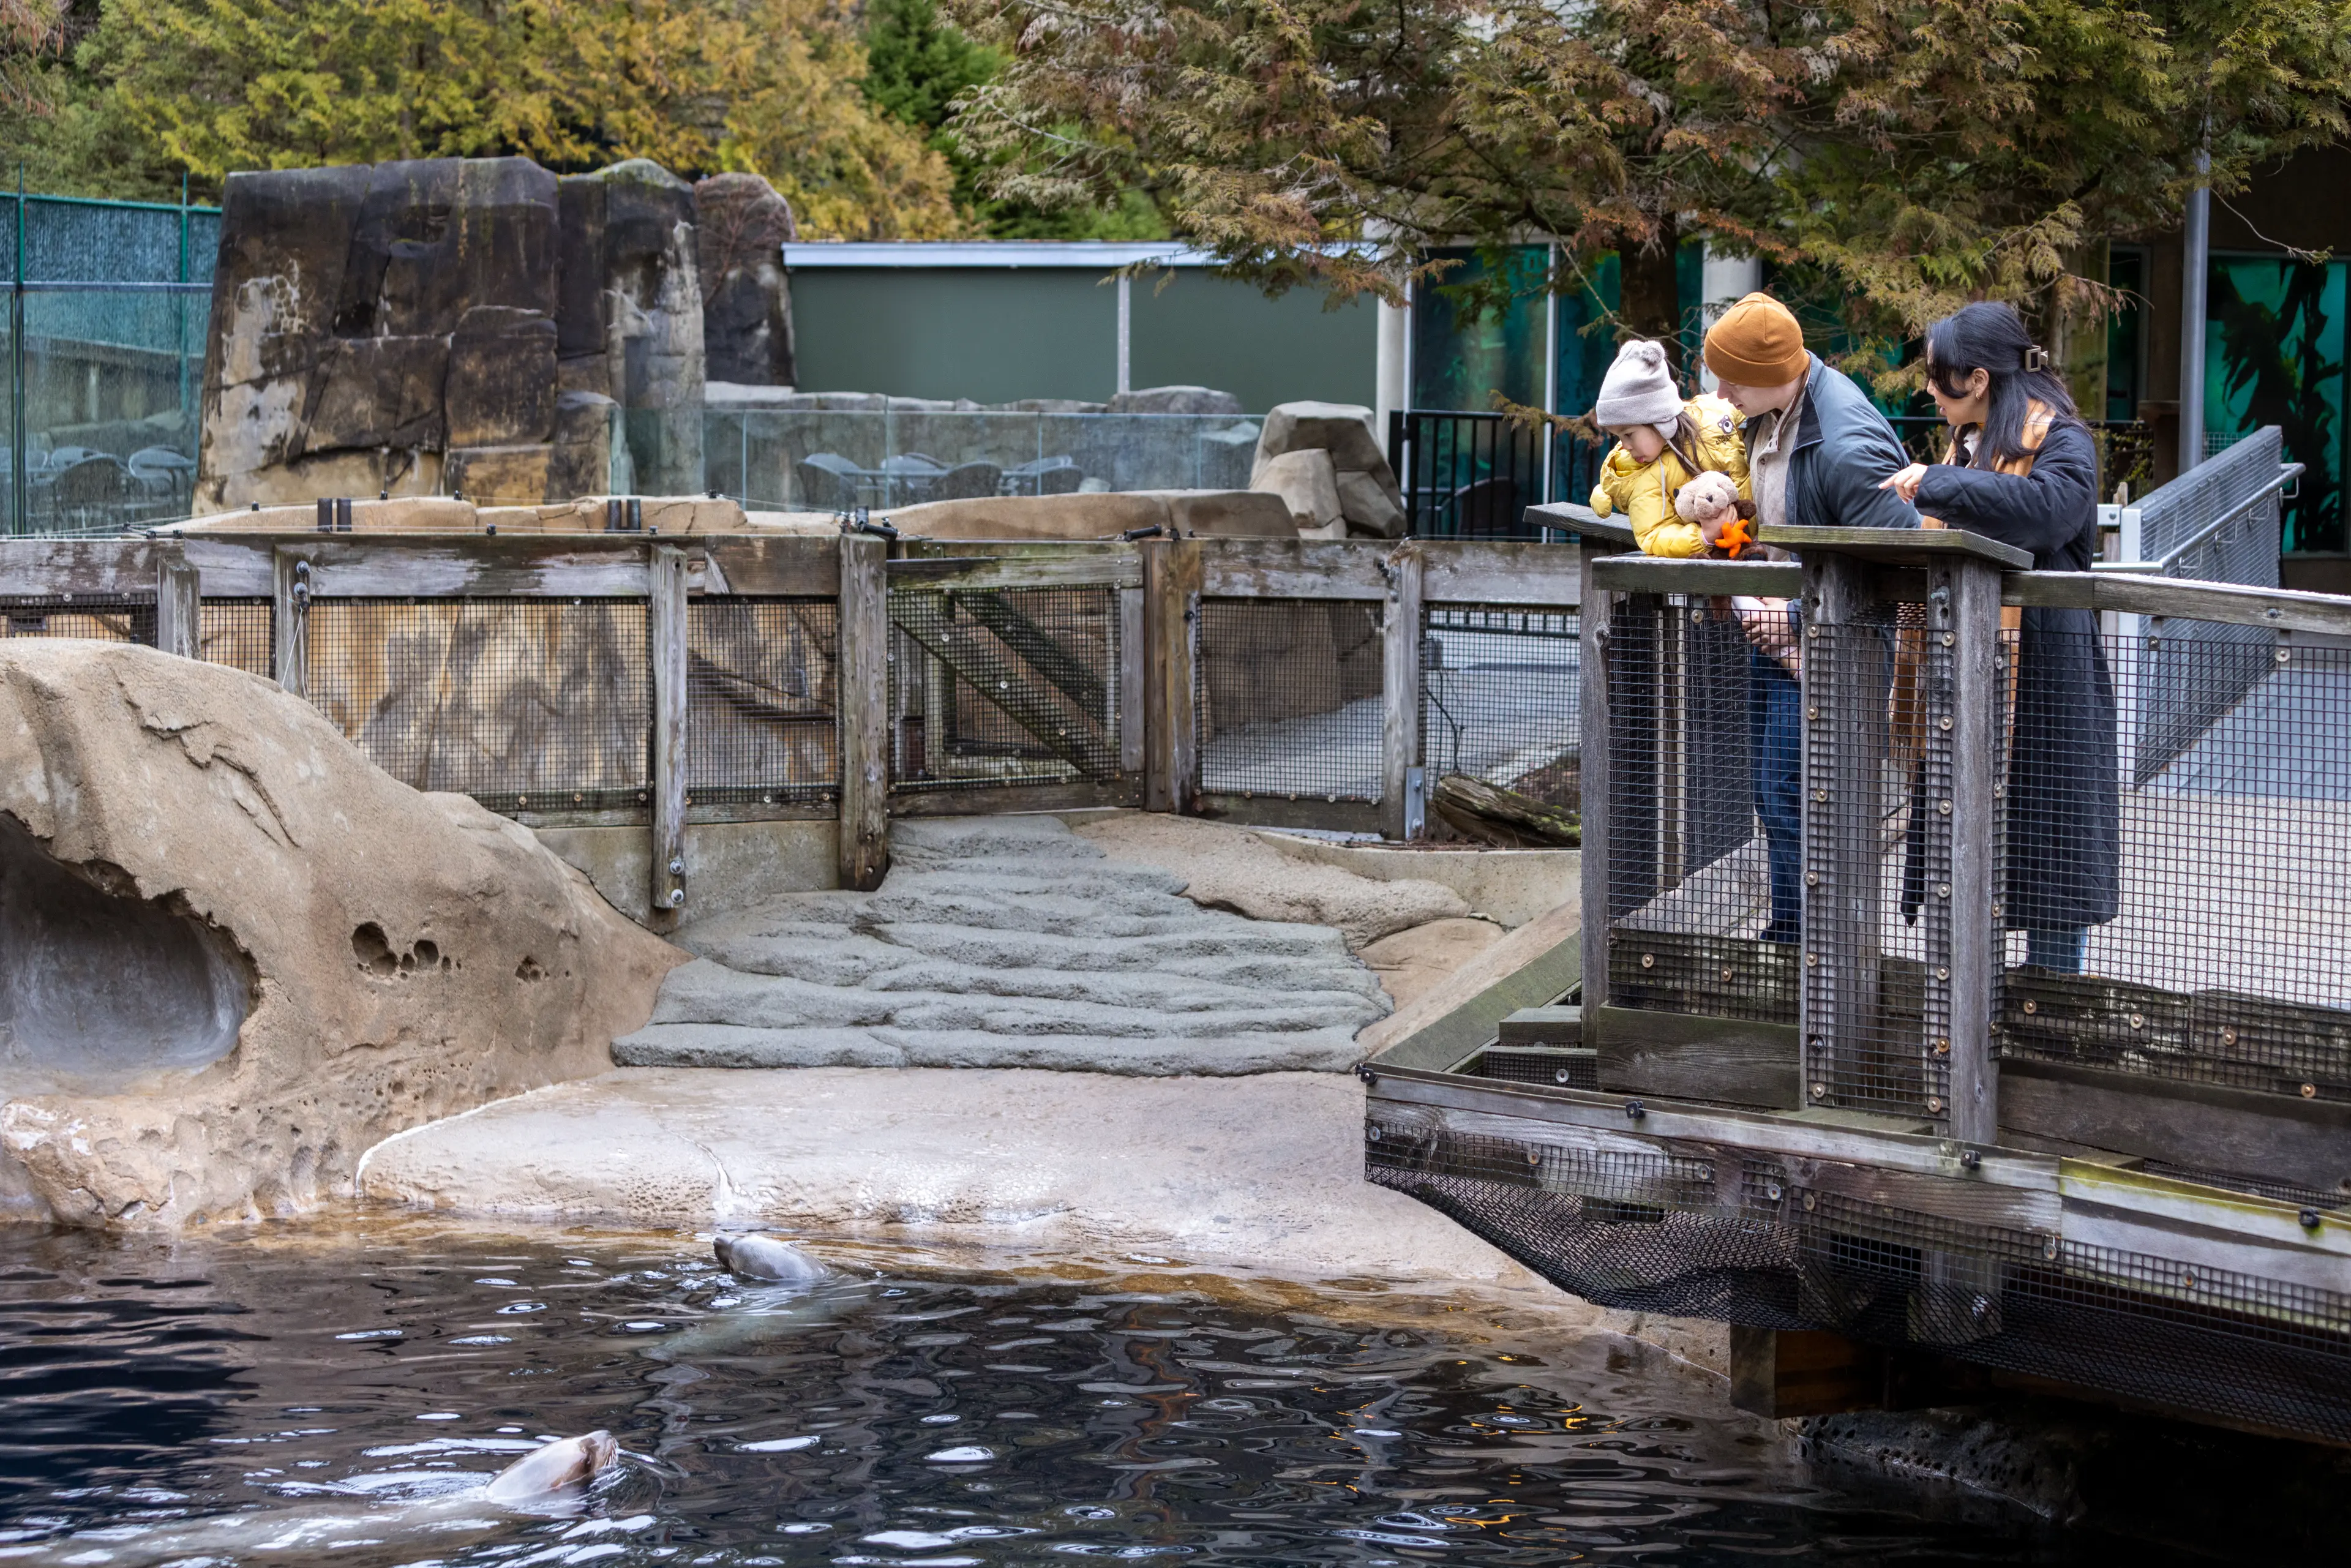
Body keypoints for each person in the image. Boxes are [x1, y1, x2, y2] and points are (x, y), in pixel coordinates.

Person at [1880, 301, 2119, 972]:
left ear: (1978, 379)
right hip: (1969, 666)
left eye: (1938, 376)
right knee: (1968, 840)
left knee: (2050, 853)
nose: (1929, 389)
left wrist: (1941, 483)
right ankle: (1968, 996)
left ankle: (2054, 999)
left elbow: (2048, 514)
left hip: (2046, 673)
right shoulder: (1972, 443)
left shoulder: (2063, 439)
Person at [1701, 292, 1921, 942]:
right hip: (1779, 630)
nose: (1720, 390)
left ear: (1771, 373)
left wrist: (1795, 617)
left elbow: (1899, 563)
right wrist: (1734, 539)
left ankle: (1817, 943)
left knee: (1799, 786)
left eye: (1730, 377)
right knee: (1774, 790)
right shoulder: (1766, 414)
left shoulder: (1846, 442)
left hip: (1836, 644)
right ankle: (1792, 929)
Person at [1586, 339, 1752, 558]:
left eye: (1629, 434)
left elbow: (1757, 405)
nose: (1625, 446)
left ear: (1659, 419)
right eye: (1618, 437)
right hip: (1719, 566)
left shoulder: (1715, 413)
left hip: (1767, 546)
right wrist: (1703, 536)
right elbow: (1653, 533)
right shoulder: (1640, 476)